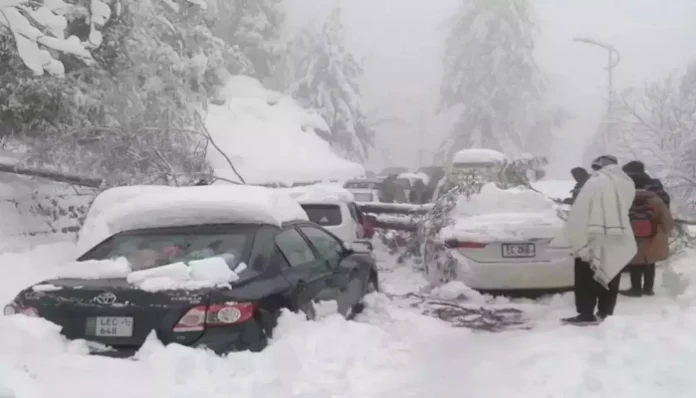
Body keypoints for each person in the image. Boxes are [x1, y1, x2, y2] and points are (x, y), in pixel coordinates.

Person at [550, 155, 638, 325]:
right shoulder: (626, 183)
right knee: (611, 271)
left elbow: (581, 210)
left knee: (586, 275)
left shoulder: (596, 182)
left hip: (592, 235)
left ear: (599, 167)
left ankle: (586, 313)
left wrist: (575, 232)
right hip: (617, 236)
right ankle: (606, 312)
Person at [620, 165, 674, 297]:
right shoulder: (655, 198)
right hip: (653, 234)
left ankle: (636, 288)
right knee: (650, 261)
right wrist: (665, 231)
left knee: (635, 260)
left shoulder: (625, 199)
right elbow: (668, 221)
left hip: (631, 234)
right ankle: (648, 288)